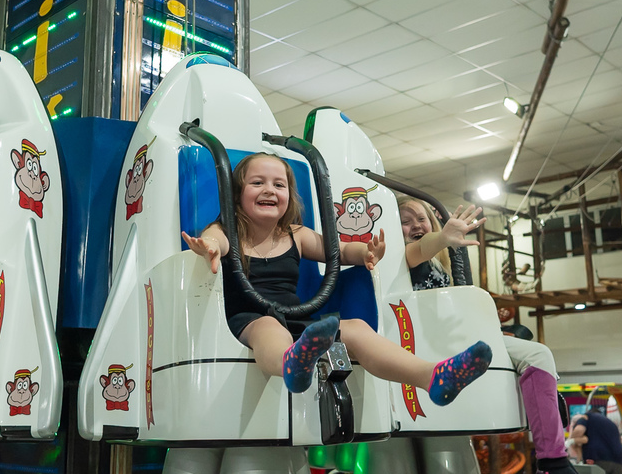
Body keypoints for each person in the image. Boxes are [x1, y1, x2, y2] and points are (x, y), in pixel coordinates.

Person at [181, 153, 492, 406]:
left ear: (289, 196)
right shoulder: (227, 231)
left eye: (279, 185)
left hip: (294, 317)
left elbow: (339, 251)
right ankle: (291, 365)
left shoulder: (296, 235)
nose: (269, 190)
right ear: (237, 194)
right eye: (257, 183)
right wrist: (209, 247)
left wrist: (366, 252)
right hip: (248, 318)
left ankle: (431, 376)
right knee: (268, 328)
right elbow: (214, 241)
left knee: (356, 328)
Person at [398, 197, 604, 474]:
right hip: (427, 343)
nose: (415, 225)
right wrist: (442, 238)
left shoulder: (441, 265)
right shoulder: (403, 260)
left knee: (538, 355)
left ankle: (553, 460)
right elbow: (419, 251)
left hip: (458, 337)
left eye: (421, 219)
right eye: (405, 220)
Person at [575, 404, 622, 474]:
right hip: (619, 463)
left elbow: (579, 431)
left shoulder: (587, 416)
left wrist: (570, 439)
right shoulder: (611, 423)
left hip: (598, 460)